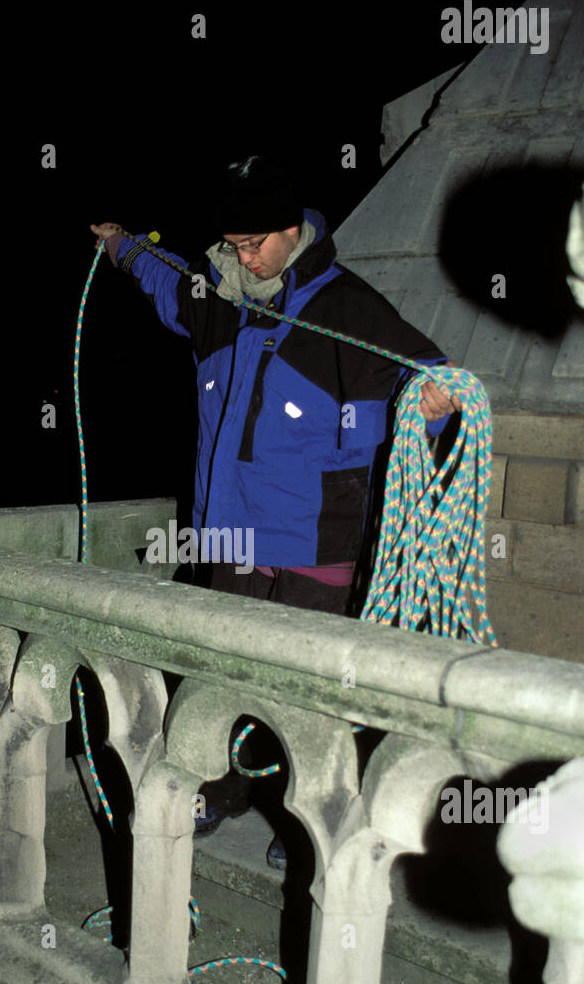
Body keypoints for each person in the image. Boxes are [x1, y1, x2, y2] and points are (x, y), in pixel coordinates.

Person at [90, 155, 459, 867]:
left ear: (296, 230)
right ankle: (222, 791)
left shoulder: (348, 309)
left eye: (255, 242)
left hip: (313, 546)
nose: (243, 256)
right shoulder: (219, 298)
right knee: (218, 677)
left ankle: (316, 825)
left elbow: (423, 380)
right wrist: (120, 245)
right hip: (228, 539)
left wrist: (434, 399)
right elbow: (163, 277)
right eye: (231, 244)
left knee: (307, 695)